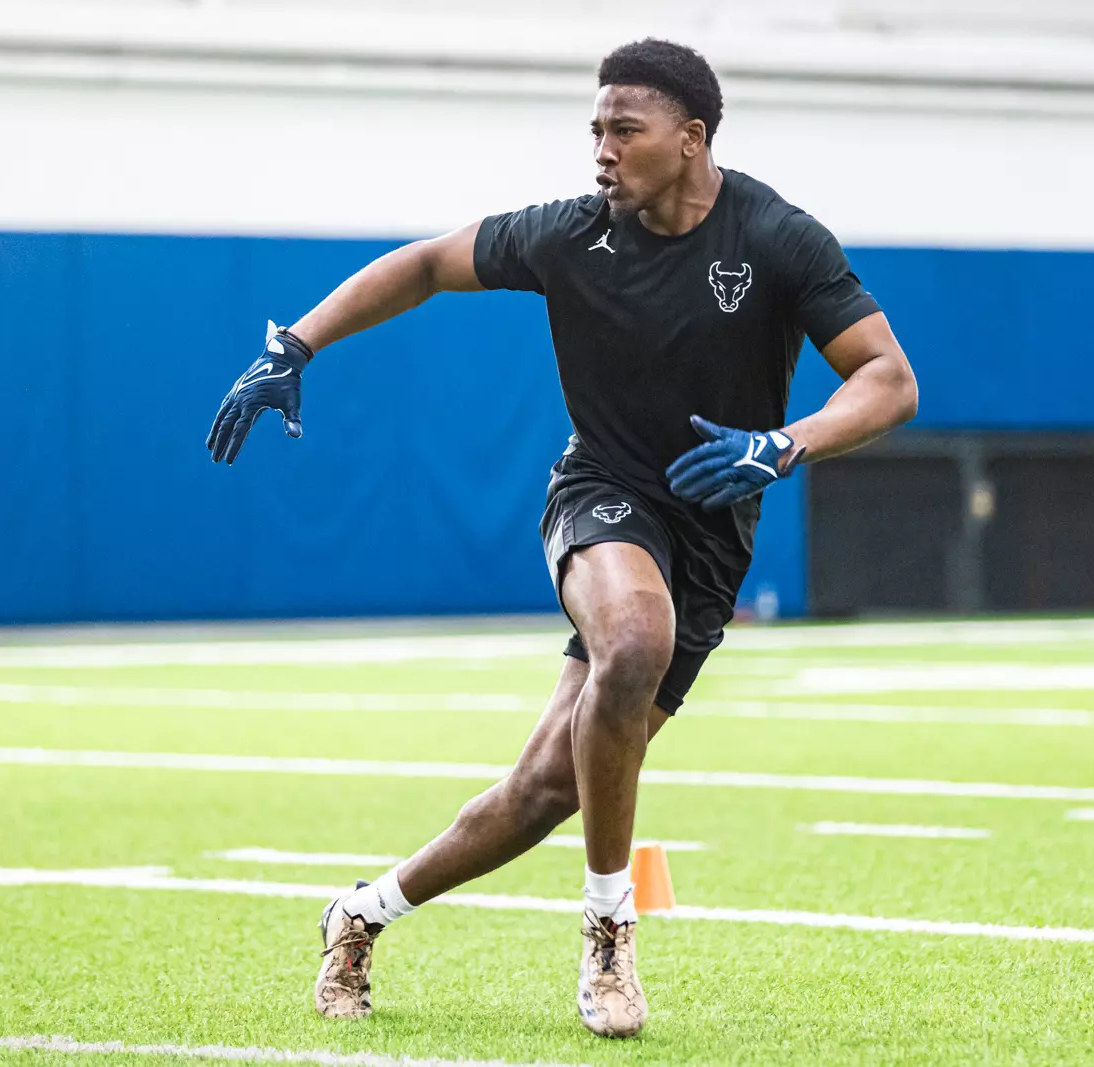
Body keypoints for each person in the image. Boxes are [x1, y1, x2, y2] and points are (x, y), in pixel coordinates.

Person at [206, 37, 918, 1040]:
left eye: (624, 130)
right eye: (595, 130)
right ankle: (609, 929)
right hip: (602, 492)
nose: (602, 150)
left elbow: (889, 379)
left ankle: (362, 912)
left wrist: (784, 443)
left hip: (713, 529)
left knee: (545, 787)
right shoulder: (569, 234)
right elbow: (425, 264)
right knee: (633, 638)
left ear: (691, 138)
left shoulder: (777, 237)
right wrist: (296, 344)